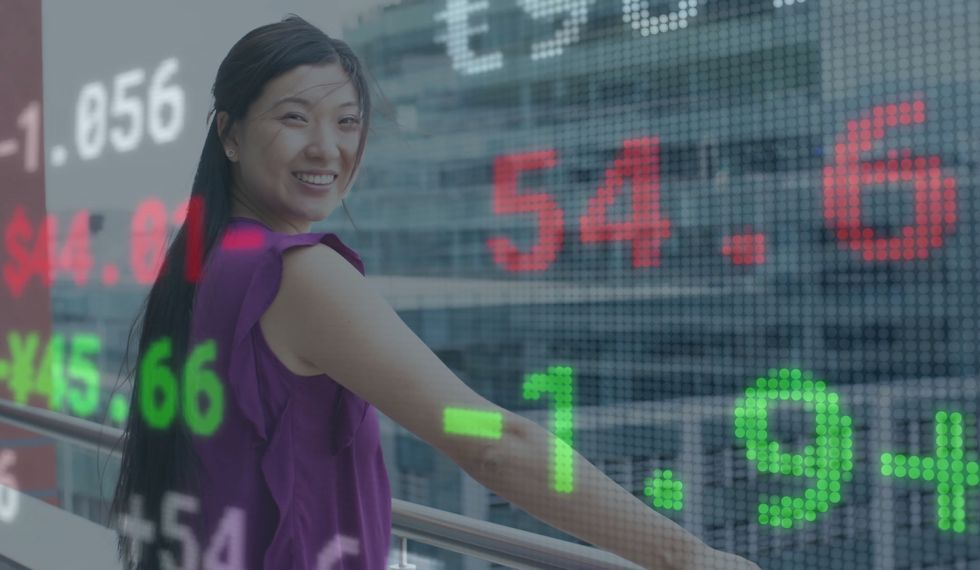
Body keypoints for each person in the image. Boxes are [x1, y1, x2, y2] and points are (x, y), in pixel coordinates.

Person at [109, 14, 760, 570]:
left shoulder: (211, 259)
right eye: (293, 118)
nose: (326, 147)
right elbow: (492, 442)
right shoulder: (299, 274)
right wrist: (687, 557)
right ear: (229, 132)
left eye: (346, 121)